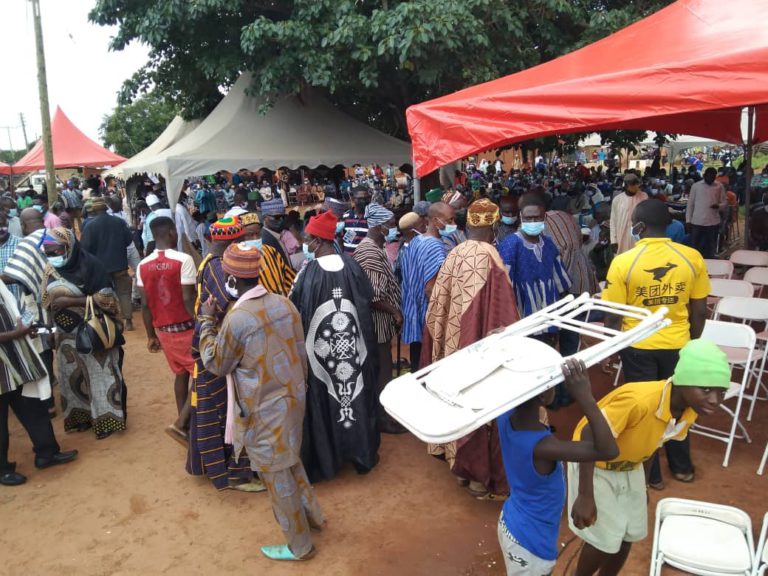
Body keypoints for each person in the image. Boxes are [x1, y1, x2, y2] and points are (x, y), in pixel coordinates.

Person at [198, 242, 325, 560]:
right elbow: (301, 351)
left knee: (277, 474)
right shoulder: (284, 304)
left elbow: (216, 363)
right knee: (290, 461)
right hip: (293, 400)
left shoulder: (237, 319)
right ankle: (313, 518)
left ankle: (300, 546)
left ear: (230, 277)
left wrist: (206, 322)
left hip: (264, 411)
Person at [569, 339, 729, 575]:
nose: (715, 400)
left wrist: (642, 485)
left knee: (628, 535)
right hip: (595, 463)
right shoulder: (639, 401)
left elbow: (654, 442)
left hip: (631, 465)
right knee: (604, 540)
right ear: (682, 381)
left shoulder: (689, 410)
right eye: (706, 389)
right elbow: (588, 434)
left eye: (721, 391)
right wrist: (585, 495)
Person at [602, 198, 709, 489]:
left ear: (639, 226)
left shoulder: (623, 261)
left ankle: (651, 475)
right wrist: (691, 344)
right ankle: (682, 467)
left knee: (647, 408)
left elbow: (614, 316)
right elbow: (699, 310)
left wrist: (611, 350)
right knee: (678, 405)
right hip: (678, 345)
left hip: (638, 348)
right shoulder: (692, 257)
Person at [423, 199, 519, 497]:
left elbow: (436, 304)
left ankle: (459, 466)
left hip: (453, 346)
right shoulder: (492, 258)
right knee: (481, 403)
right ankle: (478, 476)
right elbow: (503, 317)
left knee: (457, 399)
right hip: (478, 351)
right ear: (493, 226)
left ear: (466, 226)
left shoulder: (455, 252)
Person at [497, 358, 617, 576]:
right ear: (543, 395)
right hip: (530, 542)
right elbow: (608, 450)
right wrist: (585, 397)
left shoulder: (504, 417)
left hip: (513, 522)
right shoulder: (544, 447)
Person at [289, 210, 380, 482]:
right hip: (354, 354)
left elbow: (294, 310)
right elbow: (367, 299)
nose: (305, 242)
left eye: (307, 238)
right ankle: (362, 453)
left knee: (325, 400)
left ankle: (328, 461)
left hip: (323, 360)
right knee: (357, 397)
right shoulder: (352, 267)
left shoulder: (306, 275)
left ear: (317, 240)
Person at [41, 227, 127, 438]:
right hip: (64, 334)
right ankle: (81, 418)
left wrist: (72, 300)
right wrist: (51, 329)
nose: (52, 255)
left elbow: (107, 299)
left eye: (56, 250)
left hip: (92, 330)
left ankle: (108, 421)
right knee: (72, 377)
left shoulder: (91, 266)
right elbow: (46, 302)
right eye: (48, 250)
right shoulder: (50, 269)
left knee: (100, 376)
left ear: (69, 246)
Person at [187, 216, 254, 490]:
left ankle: (213, 465)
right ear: (233, 242)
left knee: (212, 409)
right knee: (225, 411)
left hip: (209, 343)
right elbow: (233, 308)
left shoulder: (206, 263)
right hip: (216, 347)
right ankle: (230, 472)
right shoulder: (219, 270)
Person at [0, 278, 77, 486]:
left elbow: (11, 310)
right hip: (7, 359)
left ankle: (47, 453)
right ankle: (2, 470)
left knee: (33, 407)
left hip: (16, 359)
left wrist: (25, 326)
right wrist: (17, 333)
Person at [137, 217, 197, 444]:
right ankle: (182, 423)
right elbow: (188, 297)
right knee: (201, 375)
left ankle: (185, 421)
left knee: (181, 373)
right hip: (186, 326)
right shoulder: (183, 260)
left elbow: (144, 304)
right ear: (172, 232)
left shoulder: (143, 265)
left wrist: (151, 335)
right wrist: (202, 324)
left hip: (163, 329)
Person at [352, 203, 404, 434]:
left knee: (382, 367)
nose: (393, 229)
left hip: (378, 322)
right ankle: (383, 418)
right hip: (377, 323)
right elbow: (372, 295)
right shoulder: (371, 252)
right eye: (391, 225)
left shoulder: (373, 247)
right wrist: (394, 310)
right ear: (380, 226)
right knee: (382, 370)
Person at [498, 194, 571, 344]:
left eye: (537, 218)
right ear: (521, 217)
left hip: (548, 319)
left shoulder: (549, 244)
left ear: (544, 218)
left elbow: (561, 283)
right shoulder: (510, 245)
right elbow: (503, 288)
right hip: (522, 320)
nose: (533, 221)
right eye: (528, 218)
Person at [400, 202, 452, 371]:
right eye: (449, 220)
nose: (453, 224)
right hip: (428, 317)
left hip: (414, 312)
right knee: (428, 365)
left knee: (417, 361)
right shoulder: (435, 247)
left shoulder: (416, 241)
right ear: (436, 221)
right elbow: (431, 289)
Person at [79, 197, 135, 331]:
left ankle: (113, 320)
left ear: (93, 211)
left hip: (100, 268)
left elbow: (85, 248)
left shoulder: (90, 226)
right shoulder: (119, 222)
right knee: (124, 293)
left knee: (104, 294)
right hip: (120, 265)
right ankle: (128, 321)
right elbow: (128, 241)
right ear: (106, 209)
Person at [240, 212, 295, 295]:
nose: (255, 238)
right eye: (250, 235)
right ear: (240, 236)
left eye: (258, 234)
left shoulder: (270, 251)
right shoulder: (237, 261)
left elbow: (289, 278)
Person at [686, 167, 727, 258]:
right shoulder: (696, 186)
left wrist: (719, 206)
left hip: (712, 221)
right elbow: (690, 204)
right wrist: (688, 220)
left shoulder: (719, 186)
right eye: (709, 177)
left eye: (713, 177)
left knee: (711, 246)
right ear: (704, 176)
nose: (711, 179)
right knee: (694, 246)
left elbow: (724, 202)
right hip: (697, 221)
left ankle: (710, 262)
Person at [610, 173, 648, 254]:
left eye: (637, 184)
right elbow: (613, 221)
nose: (637, 186)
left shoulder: (644, 197)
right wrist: (613, 240)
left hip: (639, 236)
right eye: (633, 184)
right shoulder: (617, 200)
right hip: (621, 236)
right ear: (627, 186)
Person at [260, 198, 291, 264]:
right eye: (277, 217)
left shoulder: (275, 235)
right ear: (265, 218)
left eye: (283, 217)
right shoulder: (266, 240)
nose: (281, 220)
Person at [342, 187, 370, 253]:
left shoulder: (373, 218)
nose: (363, 201)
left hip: (365, 259)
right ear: (353, 199)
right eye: (360, 199)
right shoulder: (345, 217)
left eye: (366, 198)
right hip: (348, 259)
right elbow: (343, 240)